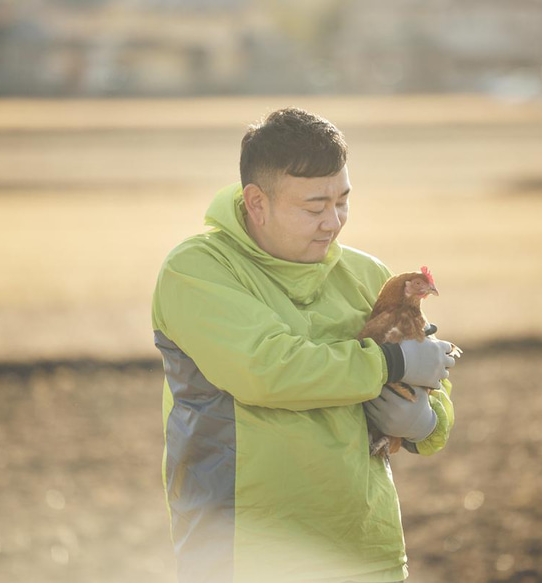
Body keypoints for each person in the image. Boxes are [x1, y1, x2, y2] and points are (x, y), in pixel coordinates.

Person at [151, 107, 458, 583]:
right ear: (256, 202)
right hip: (244, 556)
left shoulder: (366, 274)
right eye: (314, 208)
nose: (333, 222)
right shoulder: (197, 271)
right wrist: (390, 362)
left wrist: (425, 421)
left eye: (343, 201)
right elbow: (268, 369)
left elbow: (433, 384)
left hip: (364, 552)